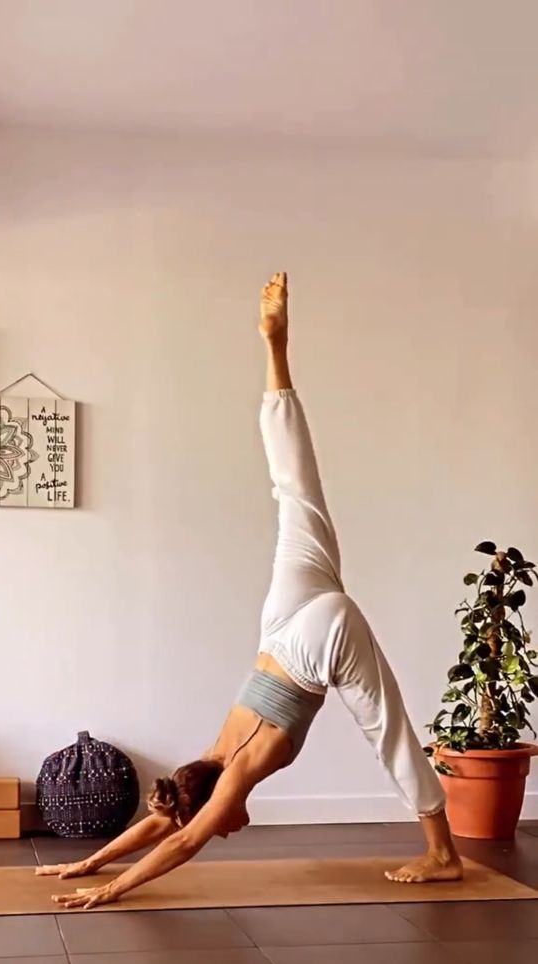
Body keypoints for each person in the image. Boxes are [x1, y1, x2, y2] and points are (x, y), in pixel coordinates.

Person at [37, 273, 462, 909]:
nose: (229, 828)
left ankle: (444, 854)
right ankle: (276, 351)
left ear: (212, 801)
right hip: (282, 623)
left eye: (221, 820)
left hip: (319, 643)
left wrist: (109, 886)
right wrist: (88, 862)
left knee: (387, 728)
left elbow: (180, 841)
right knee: (293, 489)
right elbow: (169, 818)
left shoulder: (227, 777)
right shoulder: (203, 763)